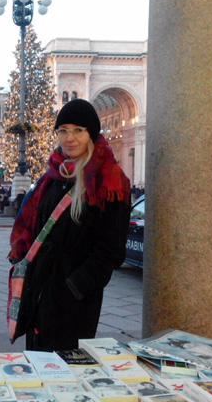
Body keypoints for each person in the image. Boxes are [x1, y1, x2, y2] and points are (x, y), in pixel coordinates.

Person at [9, 99, 131, 351]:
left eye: (78, 130)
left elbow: (111, 250)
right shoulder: (52, 178)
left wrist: (73, 288)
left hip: (74, 301)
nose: (69, 138)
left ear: (91, 134)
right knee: (37, 362)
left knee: (67, 369)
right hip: (40, 290)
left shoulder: (109, 181)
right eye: (63, 130)